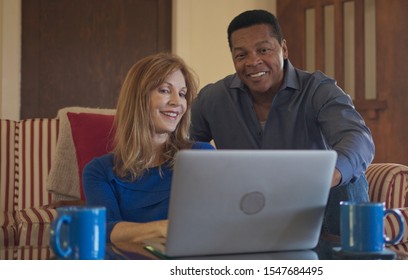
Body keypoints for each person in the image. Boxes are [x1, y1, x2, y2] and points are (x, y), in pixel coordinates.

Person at [190, 10, 375, 235]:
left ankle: (351, 257)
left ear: (284, 49)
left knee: (348, 179)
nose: (253, 62)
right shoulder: (213, 98)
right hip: (248, 211)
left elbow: (357, 138)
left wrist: (328, 176)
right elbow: (182, 148)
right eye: (241, 55)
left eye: (263, 50)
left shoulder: (318, 90)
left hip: (316, 208)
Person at [83, 52, 215, 243]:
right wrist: (165, 228)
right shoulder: (99, 171)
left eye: (182, 94)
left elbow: (213, 223)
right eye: (164, 90)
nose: (177, 103)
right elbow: (104, 229)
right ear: (138, 97)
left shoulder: (200, 156)